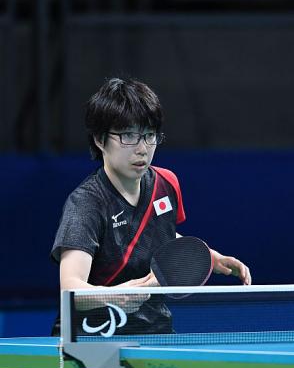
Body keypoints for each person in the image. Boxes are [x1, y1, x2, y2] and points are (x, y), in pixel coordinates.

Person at [51, 77, 251, 336]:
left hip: (155, 332)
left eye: (149, 136)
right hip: (95, 341)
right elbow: (70, 288)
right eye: (128, 136)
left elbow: (158, 232)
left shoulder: (166, 182)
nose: (142, 149)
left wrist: (207, 256)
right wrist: (117, 296)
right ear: (100, 140)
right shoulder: (87, 203)